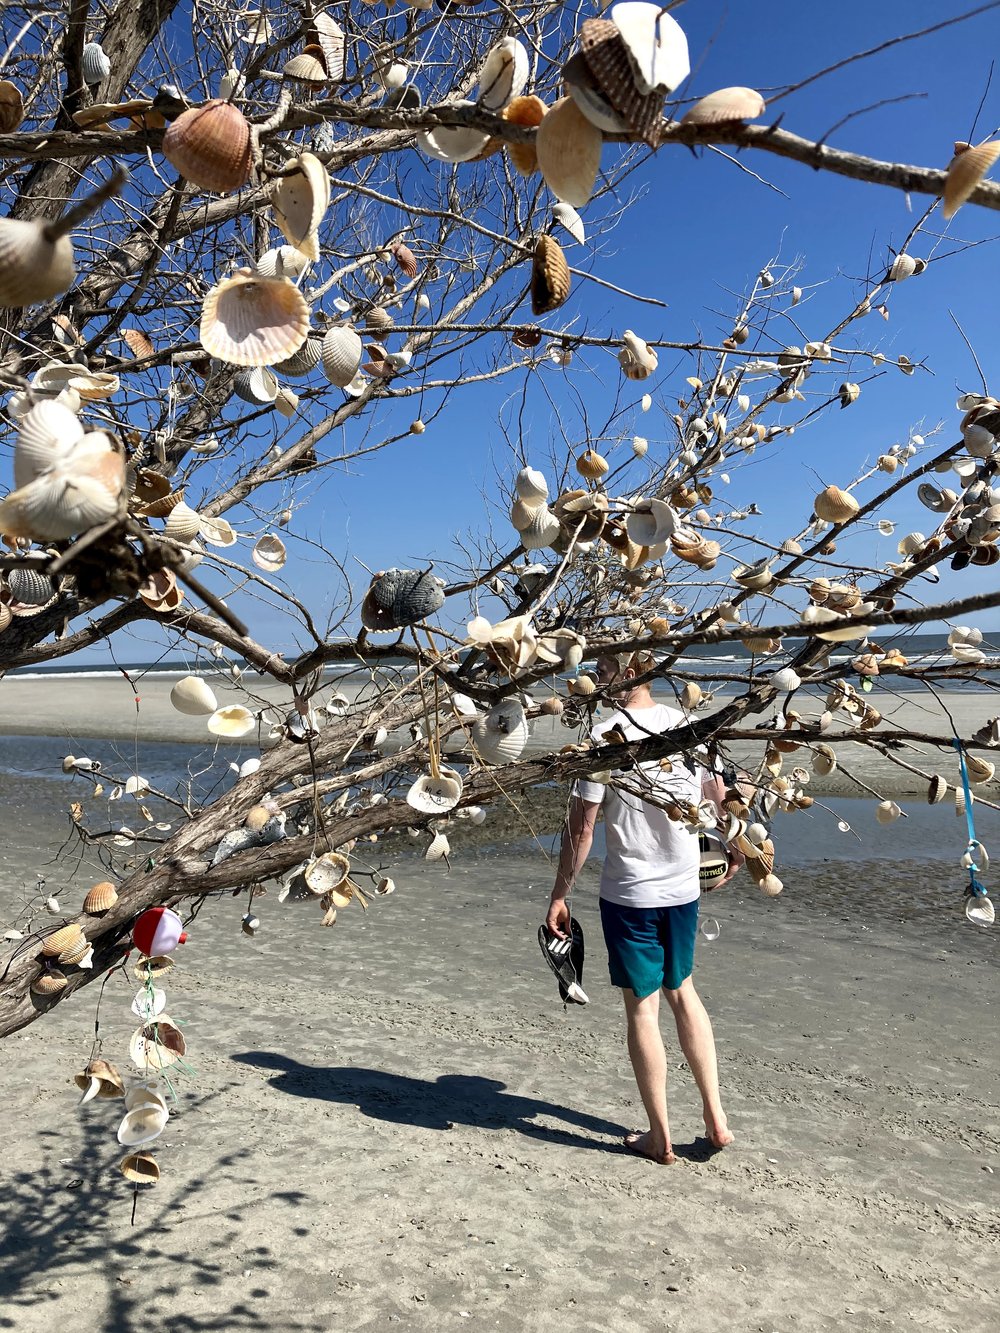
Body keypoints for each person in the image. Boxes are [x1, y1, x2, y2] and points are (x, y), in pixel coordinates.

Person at [546, 650, 740, 1164]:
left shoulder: (602, 740)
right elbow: (720, 800)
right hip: (683, 891)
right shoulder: (692, 728)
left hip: (631, 895)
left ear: (632, 672)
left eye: (604, 670)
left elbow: (582, 830)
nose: (595, 679)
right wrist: (735, 851)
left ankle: (660, 1137)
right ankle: (716, 1119)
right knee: (684, 993)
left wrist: (560, 894)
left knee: (644, 1009)